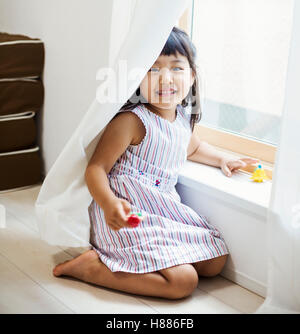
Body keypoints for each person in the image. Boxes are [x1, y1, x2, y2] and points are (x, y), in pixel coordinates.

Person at [53, 26, 258, 300]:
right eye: (152, 69)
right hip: (127, 212)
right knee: (183, 282)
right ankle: (94, 269)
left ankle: (139, 263)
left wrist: (223, 158)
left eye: (176, 68)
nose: (164, 79)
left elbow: (193, 148)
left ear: (193, 75)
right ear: (136, 78)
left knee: (215, 261)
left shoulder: (182, 118)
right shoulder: (132, 120)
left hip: (161, 208)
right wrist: (109, 203)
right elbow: (96, 168)